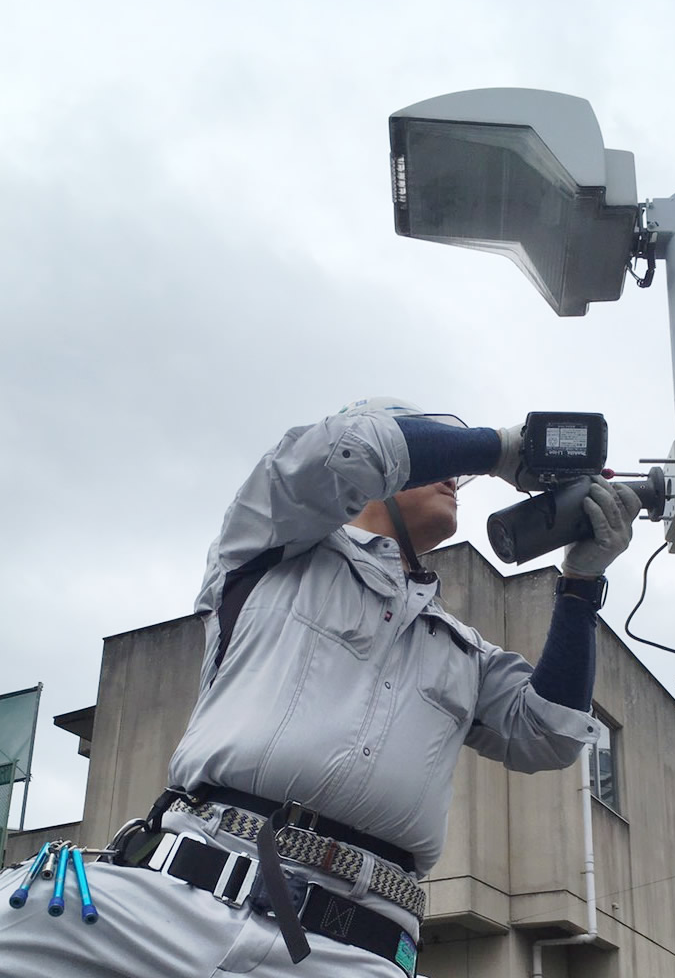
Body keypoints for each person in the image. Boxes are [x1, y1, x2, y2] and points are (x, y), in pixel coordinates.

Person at [0, 397, 640, 978]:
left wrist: (581, 583)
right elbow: (346, 450)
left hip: (353, 948)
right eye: (434, 451)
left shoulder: (464, 651)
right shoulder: (271, 549)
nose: (455, 473)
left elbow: (551, 732)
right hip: (170, 898)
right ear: (381, 473)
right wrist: (501, 447)